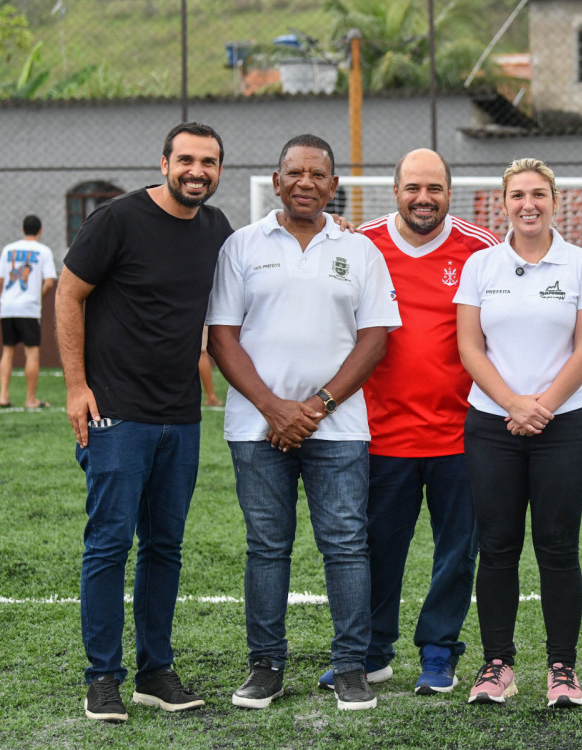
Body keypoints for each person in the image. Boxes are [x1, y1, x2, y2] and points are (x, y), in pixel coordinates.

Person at [206, 134, 401, 712]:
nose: (306, 183)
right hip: (255, 427)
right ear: (277, 180)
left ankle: (350, 667)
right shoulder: (240, 246)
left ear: (334, 186)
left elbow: (376, 338)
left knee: (345, 545)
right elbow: (221, 336)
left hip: (338, 428)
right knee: (267, 547)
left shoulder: (360, 250)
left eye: (318, 174)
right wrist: (273, 407)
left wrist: (315, 406)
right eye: (295, 173)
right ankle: (266, 666)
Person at [55, 122, 232, 722]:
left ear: (219, 172)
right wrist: (77, 387)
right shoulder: (117, 220)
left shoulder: (217, 231)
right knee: (109, 545)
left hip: (180, 416)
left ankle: (156, 672)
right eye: (186, 159)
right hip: (116, 414)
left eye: (208, 162)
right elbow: (69, 294)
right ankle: (102, 678)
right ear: (163, 164)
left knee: (166, 546)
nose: (196, 171)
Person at [315, 148, 497, 695]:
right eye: (413, 187)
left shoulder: (480, 248)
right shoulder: (358, 243)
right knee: (375, 548)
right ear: (395, 190)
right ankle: (372, 652)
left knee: (457, 552)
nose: (424, 198)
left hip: (460, 434)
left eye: (434, 188)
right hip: (379, 433)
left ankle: (440, 651)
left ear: (449, 192)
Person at [455, 158, 582, 708]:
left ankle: (562, 670)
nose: (528, 204)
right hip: (492, 424)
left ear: (554, 200)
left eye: (538, 194)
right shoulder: (481, 266)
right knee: (496, 546)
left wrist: (540, 406)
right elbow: (470, 347)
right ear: (504, 202)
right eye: (518, 195)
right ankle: (497, 666)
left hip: (564, 425)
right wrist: (512, 404)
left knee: (558, 547)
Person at [0, 214, 56, 409]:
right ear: (40, 230)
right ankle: (31, 399)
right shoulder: (44, 251)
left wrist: (3, 298)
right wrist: (37, 296)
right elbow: (49, 281)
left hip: (7, 307)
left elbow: (0, 279)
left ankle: (3, 396)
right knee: (32, 353)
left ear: (23, 230)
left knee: (7, 351)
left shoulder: (8, 250)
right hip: (28, 309)